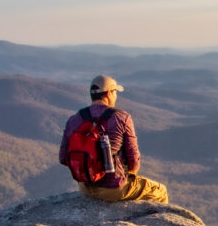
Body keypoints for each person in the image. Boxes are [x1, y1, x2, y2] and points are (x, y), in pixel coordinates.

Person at [60, 75, 168, 203]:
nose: (116, 96)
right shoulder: (122, 117)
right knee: (161, 191)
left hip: (85, 187)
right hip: (114, 189)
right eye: (115, 92)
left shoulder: (75, 119)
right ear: (109, 93)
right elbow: (133, 160)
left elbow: (63, 158)